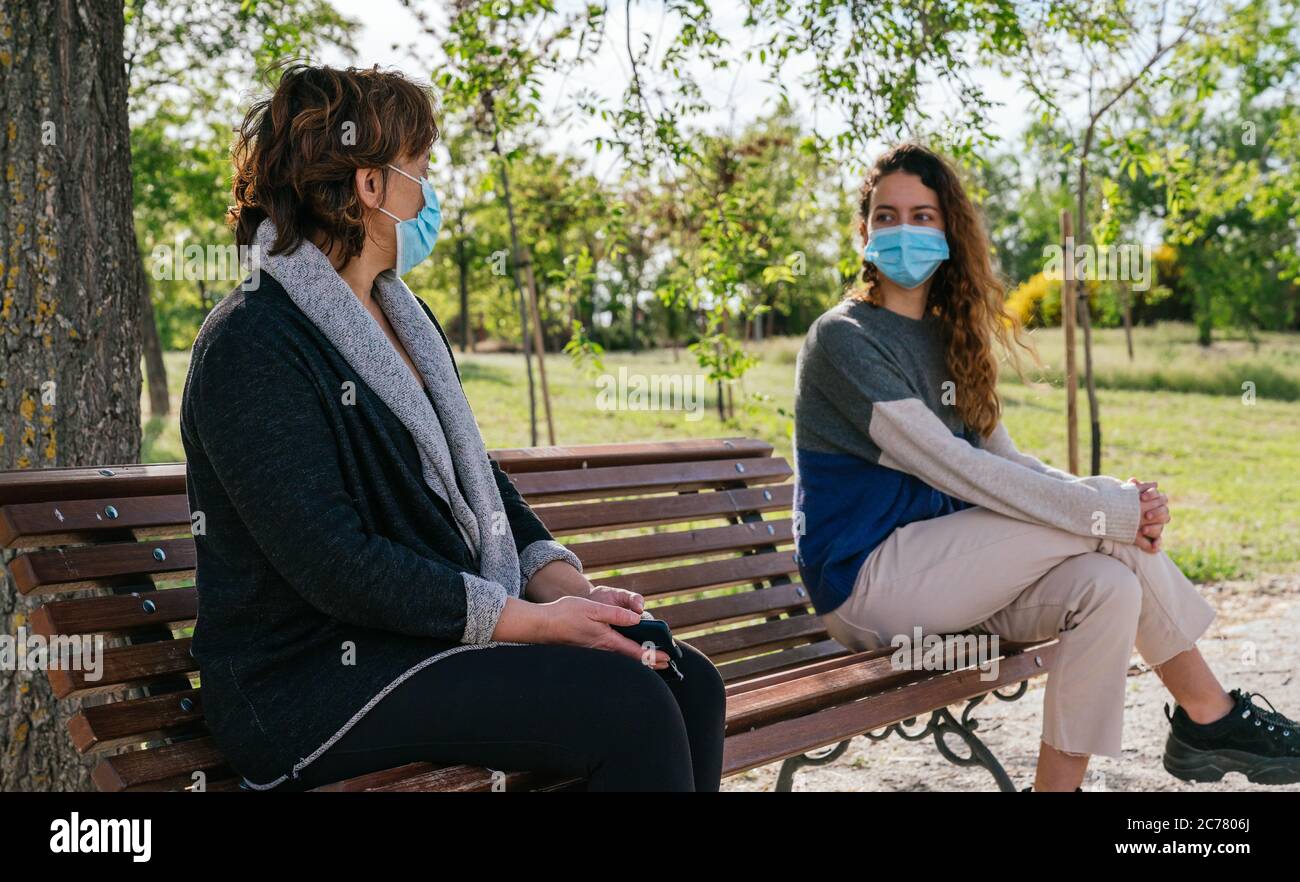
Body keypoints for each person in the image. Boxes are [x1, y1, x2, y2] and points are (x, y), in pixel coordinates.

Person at [180, 63, 725, 792]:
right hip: (310, 681)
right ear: (371, 186)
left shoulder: (403, 314)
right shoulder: (252, 342)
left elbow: (479, 480)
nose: (430, 189)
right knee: (625, 705)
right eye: (421, 166)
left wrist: (566, 590)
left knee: (678, 672)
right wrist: (527, 622)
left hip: (421, 644)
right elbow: (334, 563)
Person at [792, 142, 1299, 791]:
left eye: (922, 216)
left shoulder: (953, 341)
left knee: (1106, 587)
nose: (902, 231)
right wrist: (1113, 507)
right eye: (886, 217)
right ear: (863, 232)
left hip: (955, 578)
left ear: (949, 231)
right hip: (870, 587)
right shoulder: (843, 340)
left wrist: (1117, 505)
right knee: (1102, 526)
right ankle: (1211, 714)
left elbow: (1006, 462)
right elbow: (957, 469)